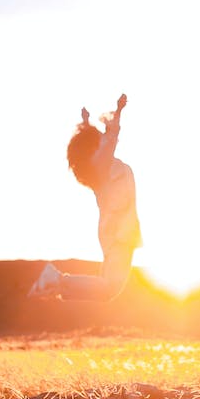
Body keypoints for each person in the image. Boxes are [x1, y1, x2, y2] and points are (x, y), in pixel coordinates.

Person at [29, 93, 141, 301]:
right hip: (119, 231)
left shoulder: (96, 165)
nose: (103, 138)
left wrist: (86, 121)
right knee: (110, 287)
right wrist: (119, 110)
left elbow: (99, 139)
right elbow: (111, 136)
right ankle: (56, 280)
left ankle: (55, 284)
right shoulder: (101, 163)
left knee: (108, 286)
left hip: (115, 231)